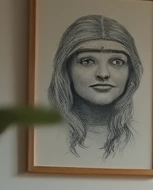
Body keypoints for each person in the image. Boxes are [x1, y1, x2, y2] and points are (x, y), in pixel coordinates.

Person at [48, 14, 141, 159]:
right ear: (66, 70)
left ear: (131, 72)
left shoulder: (142, 136)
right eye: (87, 61)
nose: (103, 74)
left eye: (116, 62)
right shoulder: (47, 135)